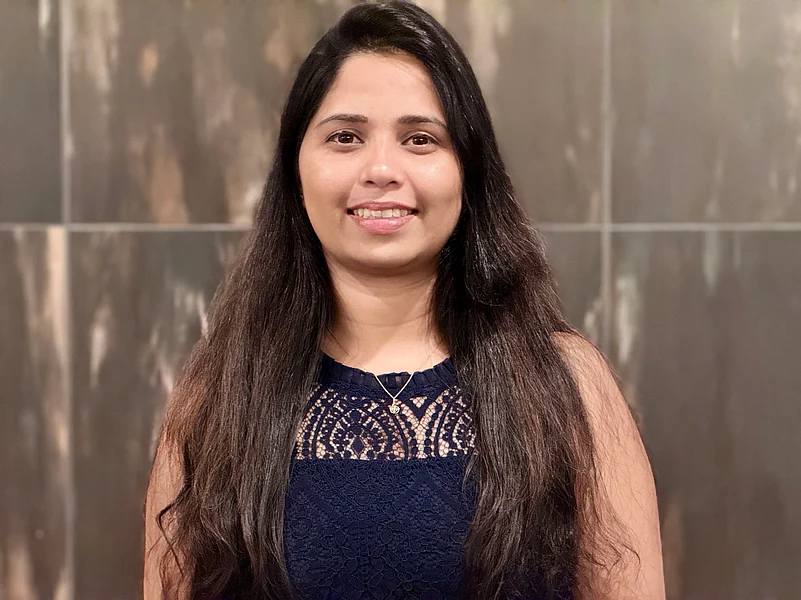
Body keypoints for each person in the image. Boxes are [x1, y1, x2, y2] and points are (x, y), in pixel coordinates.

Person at [143, 2, 665, 599]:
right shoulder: (219, 400)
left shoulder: (567, 385)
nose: (382, 169)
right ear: (295, 169)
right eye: (345, 137)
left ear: (468, 169)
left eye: (420, 139)